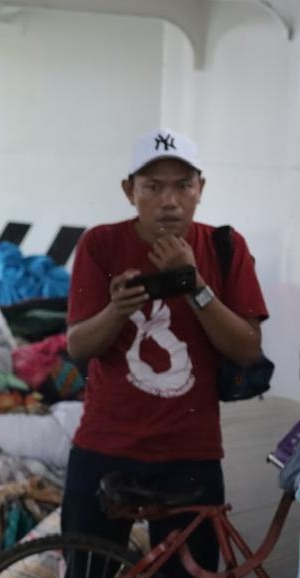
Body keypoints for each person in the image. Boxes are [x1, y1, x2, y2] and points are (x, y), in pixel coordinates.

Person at [63, 128, 268, 577]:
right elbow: (78, 345)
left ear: (201, 189)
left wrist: (194, 285)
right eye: (153, 187)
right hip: (105, 446)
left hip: (190, 453)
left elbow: (249, 350)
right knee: (88, 571)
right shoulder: (101, 244)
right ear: (129, 191)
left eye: (183, 185)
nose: (169, 201)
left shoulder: (225, 247)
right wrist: (117, 310)